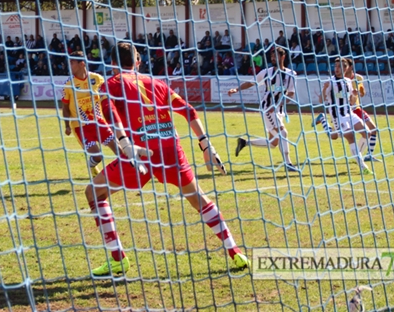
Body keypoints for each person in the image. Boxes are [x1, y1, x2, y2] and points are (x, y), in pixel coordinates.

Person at [87, 42, 248, 277]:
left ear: (111, 63)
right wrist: (206, 145)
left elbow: (111, 115)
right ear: (138, 61)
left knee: (94, 193)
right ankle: (235, 252)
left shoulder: (109, 85)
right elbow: (189, 111)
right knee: (200, 201)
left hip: (139, 152)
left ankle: (118, 259)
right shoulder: (158, 83)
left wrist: (124, 144)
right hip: (170, 149)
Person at [229, 47, 300, 172]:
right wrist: (237, 89)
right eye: (272, 57)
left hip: (278, 110)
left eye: (276, 56)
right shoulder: (266, 72)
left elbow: (291, 94)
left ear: (283, 57)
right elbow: (252, 82)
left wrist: (278, 104)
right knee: (283, 133)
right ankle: (288, 164)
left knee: (273, 143)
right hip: (268, 109)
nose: (273, 59)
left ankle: (244, 143)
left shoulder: (291, 75)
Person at [61, 51, 122, 178]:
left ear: (82, 63)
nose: (70, 66)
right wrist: (67, 125)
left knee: (120, 151)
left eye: (72, 63)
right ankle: (92, 166)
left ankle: (125, 173)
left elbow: (107, 98)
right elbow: (65, 107)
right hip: (80, 126)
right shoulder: (68, 84)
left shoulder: (97, 79)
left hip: (99, 122)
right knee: (97, 156)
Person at [320, 58, 374, 176]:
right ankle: (363, 166)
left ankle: (323, 121)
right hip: (337, 115)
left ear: (346, 68)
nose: (337, 69)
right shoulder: (330, 82)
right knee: (350, 136)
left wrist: (354, 95)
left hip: (349, 113)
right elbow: (321, 100)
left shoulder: (348, 81)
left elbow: (351, 101)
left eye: (340, 67)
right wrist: (324, 89)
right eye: (336, 66)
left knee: (367, 132)